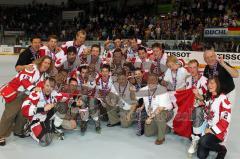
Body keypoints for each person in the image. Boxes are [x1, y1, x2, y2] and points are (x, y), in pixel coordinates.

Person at [0, 56, 53, 146]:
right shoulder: (32, 67)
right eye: (45, 62)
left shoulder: (43, 75)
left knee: (23, 113)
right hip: (15, 92)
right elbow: (23, 79)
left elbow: (40, 87)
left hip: (26, 95)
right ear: (41, 62)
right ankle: (1, 134)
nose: (47, 65)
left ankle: (18, 130)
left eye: (48, 63)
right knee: (10, 114)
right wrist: (33, 88)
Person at [21, 78, 69, 146]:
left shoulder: (53, 93)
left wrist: (74, 102)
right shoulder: (36, 94)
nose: (49, 88)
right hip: (36, 119)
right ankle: (30, 128)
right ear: (43, 85)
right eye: (47, 85)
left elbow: (66, 96)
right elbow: (24, 109)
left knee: (63, 106)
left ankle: (56, 126)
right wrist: (43, 109)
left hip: (47, 117)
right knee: (45, 142)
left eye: (51, 87)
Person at [197, 77, 231, 159]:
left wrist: (211, 130)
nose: (209, 85)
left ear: (217, 85)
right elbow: (208, 111)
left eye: (212, 83)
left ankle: (221, 149)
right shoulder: (209, 97)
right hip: (207, 128)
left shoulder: (223, 99)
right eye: (208, 83)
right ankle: (208, 143)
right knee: (201, 156)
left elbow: (225, 121)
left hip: (218, 132)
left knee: (203, 141)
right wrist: (202, 105)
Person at [135, 73, 173, 144]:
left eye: (154, 80)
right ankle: (165, 128)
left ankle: (161, 138)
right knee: (148, 133)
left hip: (166, 112)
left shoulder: (162, 90)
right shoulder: (144, 89)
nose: (151, 82)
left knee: (159, 116)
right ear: (147, 81)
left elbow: (160, 108)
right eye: (149, 80)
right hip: (152, 114)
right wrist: (140, 107)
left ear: (157, 81)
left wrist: (150, 118)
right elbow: (135, 98)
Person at [186, 59, 208, 155]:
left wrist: (199, 97)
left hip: (203, 108)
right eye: (190, 68)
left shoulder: (204, 81)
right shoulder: (188, 80)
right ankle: (194, 133)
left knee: (198, 110)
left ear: (198, 68)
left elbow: (208, 99)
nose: (192, 70)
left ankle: (195, 139)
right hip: (191, 107)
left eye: (194, 67)